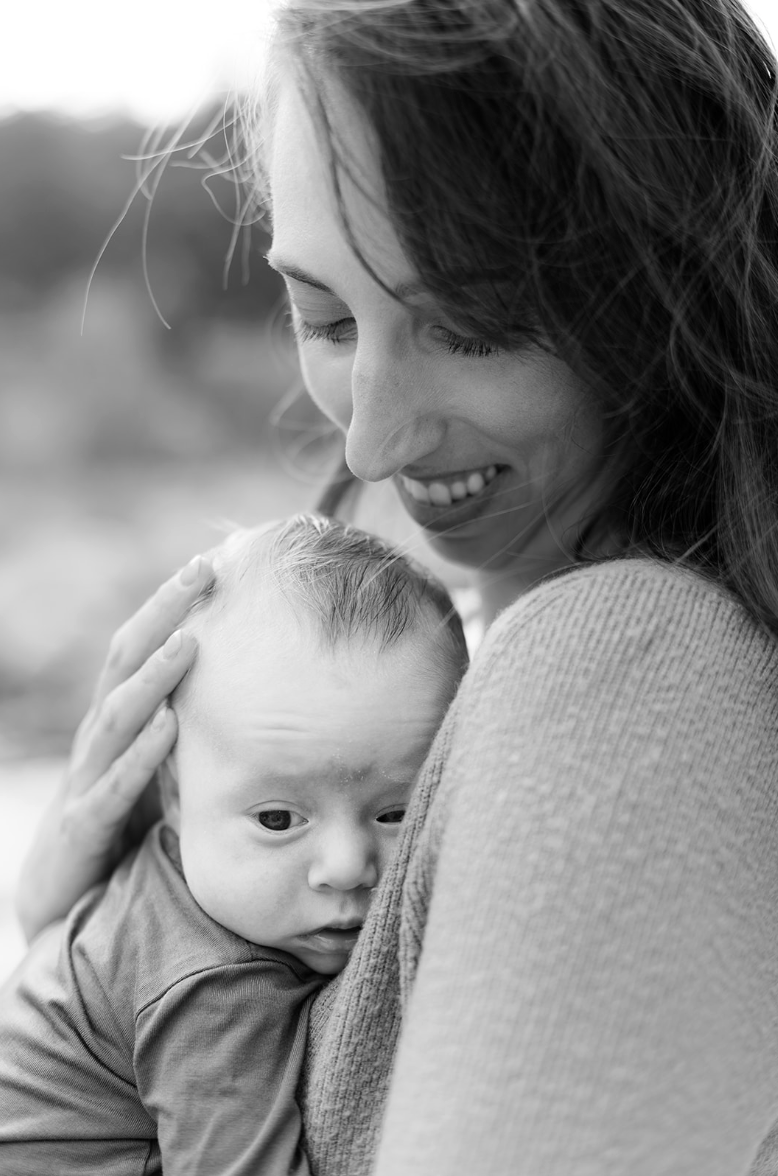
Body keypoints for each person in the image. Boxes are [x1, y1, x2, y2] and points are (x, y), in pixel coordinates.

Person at [14, 0, 778, 1170]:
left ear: (670, 284)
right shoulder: (506, 667)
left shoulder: (626, 658)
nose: (366, 442)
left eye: (468, 326)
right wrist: (92, 943)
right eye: (322, 316)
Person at [0, 514, 467, 1175]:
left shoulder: (178, 887)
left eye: (398, 810)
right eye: (278, 820)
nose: (345, 867)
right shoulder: (210, 989)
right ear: (173, 796)